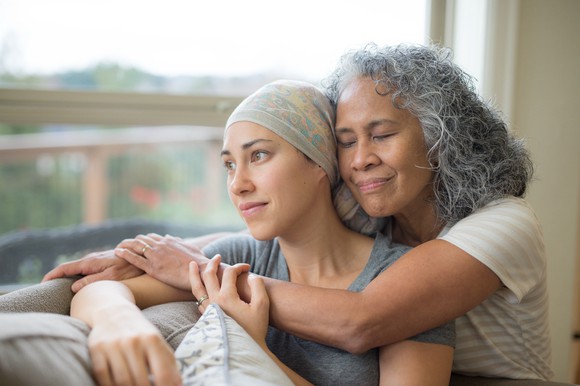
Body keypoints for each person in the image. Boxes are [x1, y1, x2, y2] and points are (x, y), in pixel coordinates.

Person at [44, 43, 552, 380]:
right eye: (346, 141)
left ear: (441, 139)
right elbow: (270, 234)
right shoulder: (374, 210)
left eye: (382, 135)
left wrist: (201, 274)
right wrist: (136, 262)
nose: (359, 160)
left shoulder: (502, 224)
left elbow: (364, 319)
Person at [69, 80, 455, 386]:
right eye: (229, 165)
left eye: (258, 156)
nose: (237, 184)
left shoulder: (401, 284)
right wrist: (118, 321)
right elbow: (99, 289)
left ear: (318, 161)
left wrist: (256, 351)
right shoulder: (239, 258)